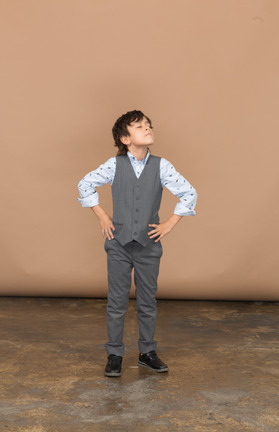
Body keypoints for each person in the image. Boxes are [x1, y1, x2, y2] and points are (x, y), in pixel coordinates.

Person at [77, 110, 197, 377]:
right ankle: (115, 354)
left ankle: (147, 352)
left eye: (149, 125)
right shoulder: (114, 165)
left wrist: (169, 223)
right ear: (125, 138)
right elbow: (85, 185)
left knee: (147, 302)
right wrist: (102, 215)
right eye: (140, 126)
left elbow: (189, 193)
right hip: (118, 244)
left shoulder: (162, 166)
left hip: (148, 246)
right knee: (117, 302)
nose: (147, 128)